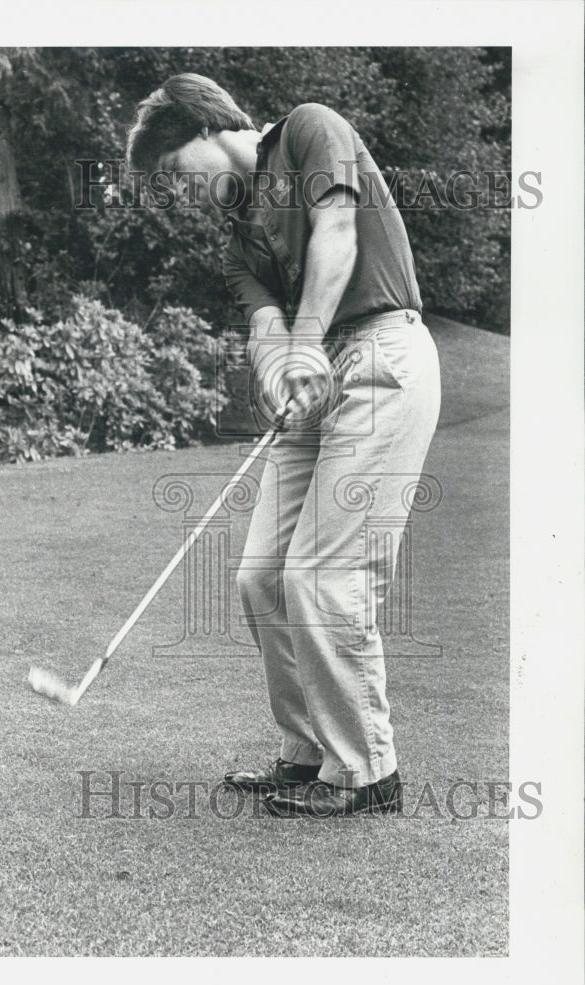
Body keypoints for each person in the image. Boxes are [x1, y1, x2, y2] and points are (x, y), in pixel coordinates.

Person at [126, 73, 440, 817]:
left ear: (204, 129)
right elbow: (265, 324)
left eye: (174, 172)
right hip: (318, 373)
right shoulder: (238, 233)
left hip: (381, 358)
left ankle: (366, 772)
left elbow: (337, 231)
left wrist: (306, 346)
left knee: (325, 577)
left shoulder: (308, 128)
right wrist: (279, 370)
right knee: (262, 576)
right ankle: (308, 754)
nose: (178, 191)